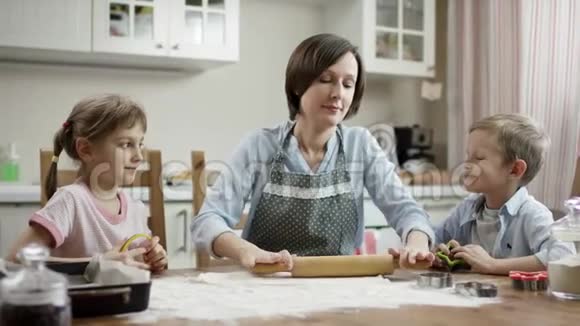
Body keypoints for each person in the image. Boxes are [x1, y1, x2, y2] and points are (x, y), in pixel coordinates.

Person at [192, 34, 435, 270]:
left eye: (348, 84)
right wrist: (246, 250)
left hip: (339, 289)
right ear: (298, 85)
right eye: (326, 79)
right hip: (268, 286)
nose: (338, 93)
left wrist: (417, 244)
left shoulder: (360, 144)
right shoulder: (259, 145)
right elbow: (207, 221)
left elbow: (407, 211)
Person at [7, 94, 167, 273]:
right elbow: (16, 260)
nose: (139, 156)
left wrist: (153, 258)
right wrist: (95, 263)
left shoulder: (135, 208)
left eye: (140, 144)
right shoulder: (70, 200)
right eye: (126, 144)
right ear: (86, 150)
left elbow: (135, 262)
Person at [435, 113, 574, 275]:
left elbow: (562, 256)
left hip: (518, 299)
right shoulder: (466, 208)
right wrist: (438, 252)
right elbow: (435, 240)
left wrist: (493, 265)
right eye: (468, 156)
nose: (466, 165)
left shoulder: (533, 214)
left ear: (515, 170)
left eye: (479, 158)